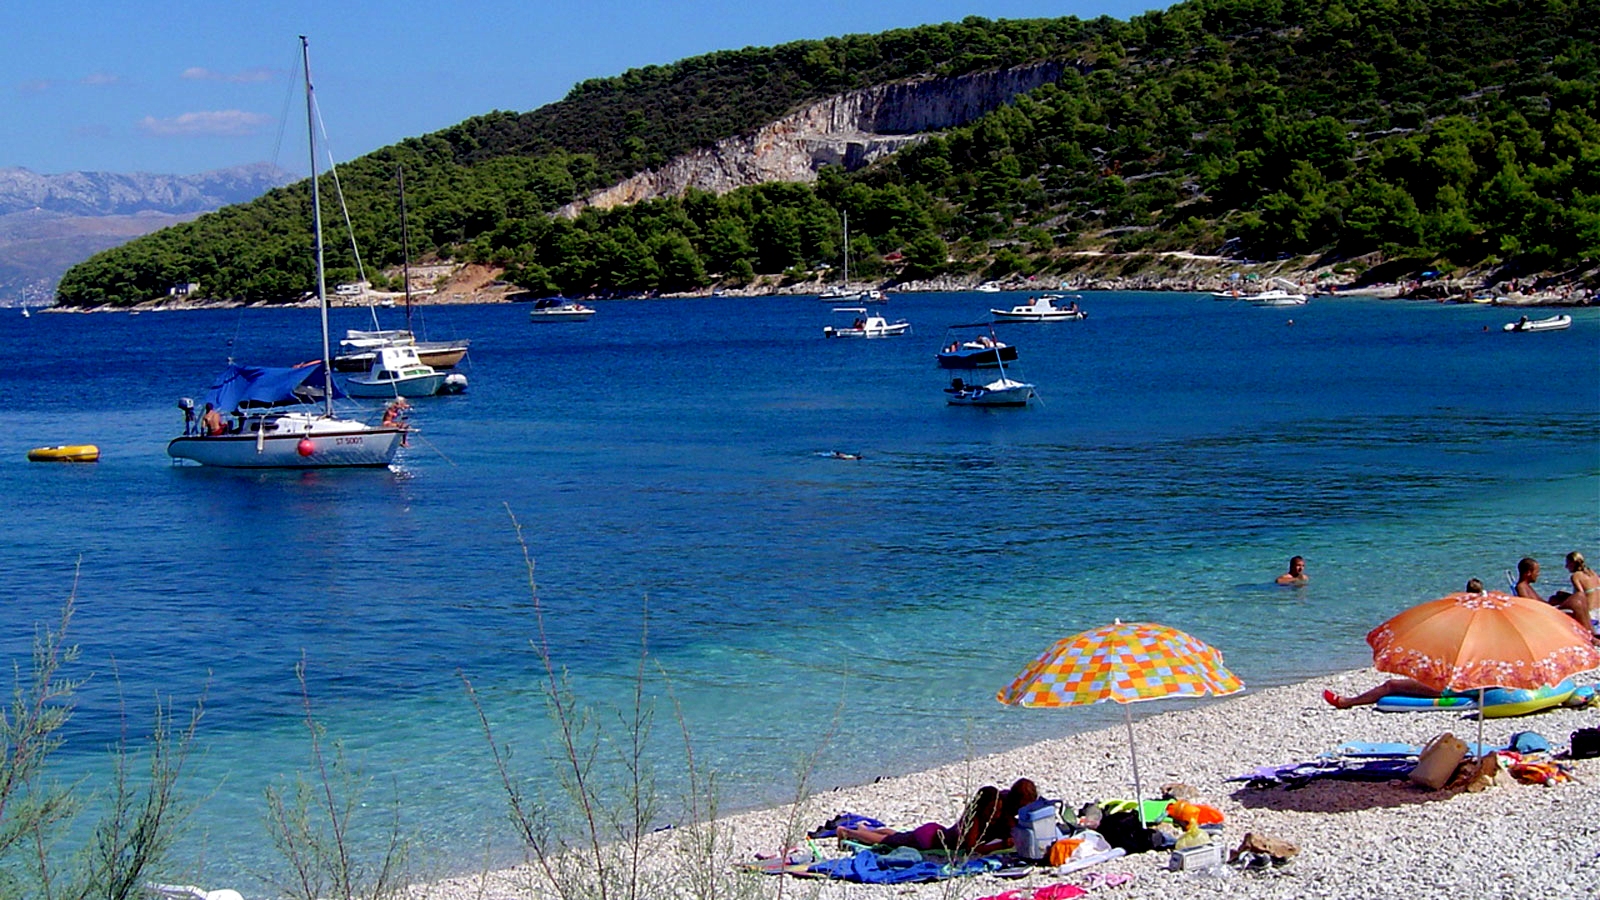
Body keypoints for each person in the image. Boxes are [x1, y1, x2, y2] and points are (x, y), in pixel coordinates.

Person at [835, 778, 1037, 855]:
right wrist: (1000, 845)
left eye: (999, 811)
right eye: (993, 812)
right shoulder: (973, 821)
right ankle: (848, 832)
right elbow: (970, 849)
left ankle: (863, 830)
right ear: (983, 808)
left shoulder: (997, 802)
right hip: (929, 839)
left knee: (901, 835)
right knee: (887, 840)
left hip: (933, 832)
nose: (997, 815)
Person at [1548, 552, 1599, 634]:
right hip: (1598, 612)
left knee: (1554, 600)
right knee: (1560, 596)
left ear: (1573, 563)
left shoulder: (1575, 576)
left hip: (1590, 614)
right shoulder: (1592, 573)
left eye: (1567, 563)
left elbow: (1580, 596)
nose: (1566, 566)